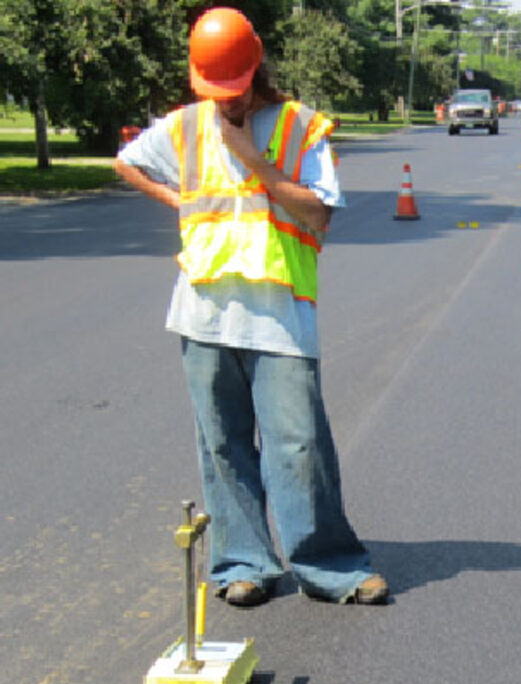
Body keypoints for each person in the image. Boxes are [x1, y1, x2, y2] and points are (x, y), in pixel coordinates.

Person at [113, 7, 388, 608]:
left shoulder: (299, 127)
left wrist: (252, 159)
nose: (226, 104)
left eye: (233, 91)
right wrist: (180, 202)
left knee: (299, 444)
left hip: (279, 314)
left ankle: (330, 565)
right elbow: (127, 162)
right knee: (222, 445)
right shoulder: (185, 126)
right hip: (203, 311)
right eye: (216, 92)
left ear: (255, 67)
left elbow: (318, 214)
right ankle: (243, 563)